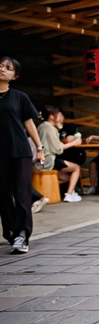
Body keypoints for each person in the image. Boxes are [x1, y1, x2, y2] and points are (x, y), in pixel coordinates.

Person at [0, 57, 46, 254]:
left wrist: (40, 147)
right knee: (2, 196)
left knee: (21, 194)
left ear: (14, 76)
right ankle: (11, 232)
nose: (2, 69)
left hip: (19, 151)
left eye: (8, 68)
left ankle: (22, 234)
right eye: (0, 66)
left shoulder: (19, 97)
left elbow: (29, 124)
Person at [38, 106, 82, 202]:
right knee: (76, 168)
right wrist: (74, 143)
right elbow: (58, 149)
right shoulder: (50, 128)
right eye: (58, 115)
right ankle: (69, 194)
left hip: (40, 161)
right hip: (49, 160)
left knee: (66, 178)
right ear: (51, 117)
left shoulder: (41, 126)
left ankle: (44, 191)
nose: (60, 118)